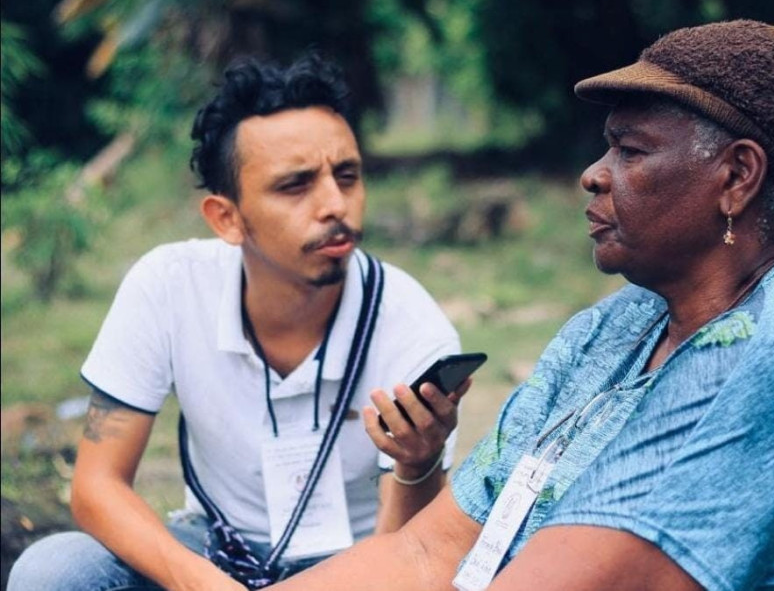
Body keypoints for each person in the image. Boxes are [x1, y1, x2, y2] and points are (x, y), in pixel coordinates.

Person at [269, 20, 774, 591]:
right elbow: (428, 550)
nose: (594, 173)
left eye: (631, 152)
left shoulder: (770, 357)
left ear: (737, 177)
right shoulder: (613, 328)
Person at [8, 51, 466, 590]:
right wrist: (197, 581)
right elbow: (95, 484)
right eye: (295, 185)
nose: (334, 204)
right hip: (213, 548)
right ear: (226, 218)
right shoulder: (169, 285)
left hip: (356, 563)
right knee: (53, 570)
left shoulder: (411, 327)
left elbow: (405, 557)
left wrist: (418, 465)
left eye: (347, 176)